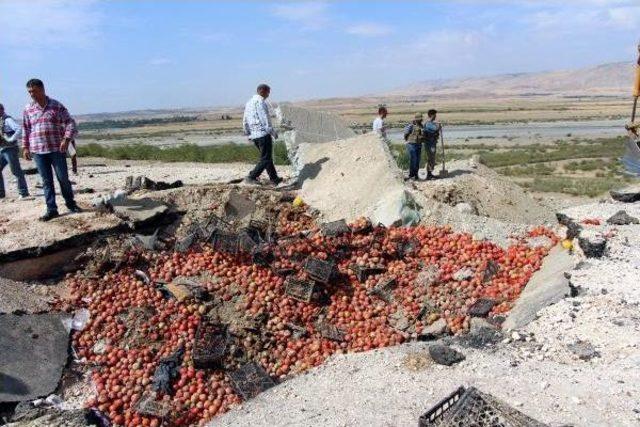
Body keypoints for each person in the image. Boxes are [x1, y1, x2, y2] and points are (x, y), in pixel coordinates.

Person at [22, 79, 81, 221]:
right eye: (29, 91)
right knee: (46, 181)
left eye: (34, 91)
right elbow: (26, 129)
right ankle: (51, 209)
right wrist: (25, 147)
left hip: (56, 149)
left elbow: (70, 123)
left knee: (63, 179)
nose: (32, 94)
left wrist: (66, 139)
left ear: (42, 89)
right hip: (38, 150)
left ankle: (71, 204)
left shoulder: (56, 106)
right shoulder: (28, 109)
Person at [242, 84, 282, 186]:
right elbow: (265, 120)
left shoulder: (249, 103)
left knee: (267, 157)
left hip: (254, 135)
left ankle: (274, 178)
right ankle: (252, 177)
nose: (268, 95)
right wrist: (273, 132)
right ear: (263, 91)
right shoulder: (261, 102)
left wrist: (248, 133)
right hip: (263, 134)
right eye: (268, 92)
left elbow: (245, 120)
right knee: (265, 159)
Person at [0, 103, 30, 200]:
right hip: (2, 149)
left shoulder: (8, 120)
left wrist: (11, 139)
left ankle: (23, 192)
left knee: (16, 171)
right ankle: (1, 193)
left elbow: (18, 129)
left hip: (10, 149)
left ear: (2, 109)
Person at [403, 113, 425, 181]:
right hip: (411, 144)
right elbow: (406, 134)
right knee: (413, 159)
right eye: (419, 119)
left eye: (421, 119)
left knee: (417, 160)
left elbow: (423, 134)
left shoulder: (421, 126)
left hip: (418, 144)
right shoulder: (411, 125)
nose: (421, 120)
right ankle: (411, 175)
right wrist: (408, 141)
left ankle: (416, 175)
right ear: (416, 119)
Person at [423, 109, 441, 181]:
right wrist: (439, 125)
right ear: (432, 115)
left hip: (431, 143)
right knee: (431, 158)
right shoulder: (428, 124)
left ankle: (430, 174)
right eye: (435, 115)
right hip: (430, 144)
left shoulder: (430, 123)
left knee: (431, 158)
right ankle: (429, 175)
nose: (436, 116)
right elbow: (436, 129)